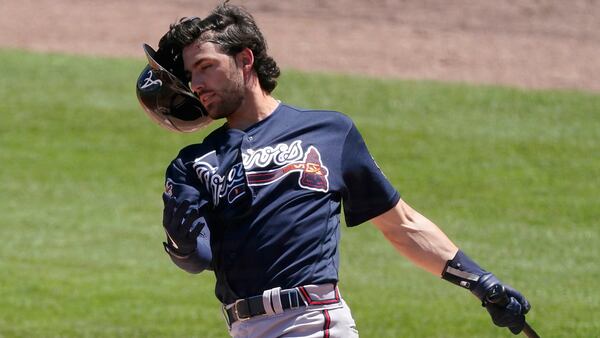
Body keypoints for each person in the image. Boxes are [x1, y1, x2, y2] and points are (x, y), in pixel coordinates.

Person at [135, 2, 532, 337]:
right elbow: (199, 259)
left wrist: (479, 281)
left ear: (245, 58)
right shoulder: (193, 164)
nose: (197, 83)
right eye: (190, 75)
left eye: (205, 66)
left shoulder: (328, 133)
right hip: (245, 328)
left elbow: (402, 225)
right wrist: (180, 245)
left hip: (313, 323)